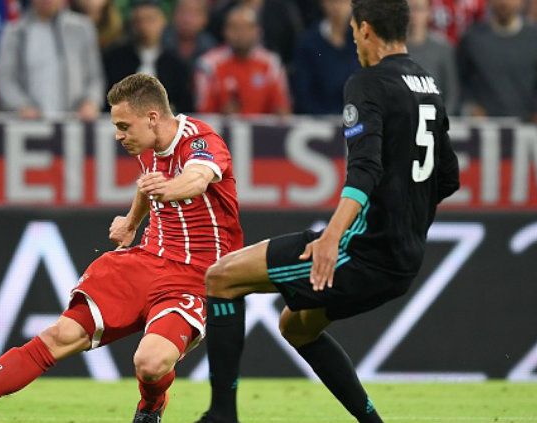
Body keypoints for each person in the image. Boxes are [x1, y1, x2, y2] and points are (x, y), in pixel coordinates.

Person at [0, 73, 243, 423]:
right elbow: (148, 183)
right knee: (59, 335)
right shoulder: (147, 145)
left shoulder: (200, 141)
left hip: (195, 276)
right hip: (145, 262)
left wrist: (168, 188)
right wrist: (132, 221)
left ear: (152, 117)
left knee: (149, 364)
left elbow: (196, 179)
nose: (118, 135)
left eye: (123, 125)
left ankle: (151, 404)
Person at [195, 0, 460, 422]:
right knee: (296, 327)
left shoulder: (367, 84)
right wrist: (405, 223)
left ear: (366, 29)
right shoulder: (426, 83)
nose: (354, 39)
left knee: (221, 278)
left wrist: (332, 237)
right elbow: (447, 177)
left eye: (354, 30)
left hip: (362, 250)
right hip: (405, 257)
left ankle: (222, 415)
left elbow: (365, 169)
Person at [0, 0, 105, 120]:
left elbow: (95, 77)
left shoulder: (82, 28)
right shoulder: (14, 32)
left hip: (74, 123)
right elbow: (5, 79)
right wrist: (21, 105)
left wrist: (90, 102)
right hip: (28, 125)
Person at [457, 0, 537, 123]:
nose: (504, 2)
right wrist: (471, 106)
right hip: (485, 129)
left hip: (529, 128)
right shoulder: (472, 38)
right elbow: (459, 79)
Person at [195, 5, 291, 115]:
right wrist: (223, 116)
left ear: (258, 31)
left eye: (247, 28)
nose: (240, 33)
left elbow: (283, 110)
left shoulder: (271, 63)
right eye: (234, 27)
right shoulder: (208, 64)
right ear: (225, 31)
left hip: (262, 131)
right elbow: (203, 113)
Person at [104, 0, 194, 112]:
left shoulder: (176, 64)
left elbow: (185, 104)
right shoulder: (114, 59)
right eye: (139, 21)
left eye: (151, 20)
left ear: (163, 22)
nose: (144, 26)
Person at [292, 0, 360, 115]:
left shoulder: (363, 40)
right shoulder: (309, 43)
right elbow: (303, 91)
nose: (337, 7)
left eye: (342, 2)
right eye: (332, 2)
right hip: (318, 121)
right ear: (323, 3)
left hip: (358, 119)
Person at [407, 0, 460, 115]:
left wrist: (442, 123)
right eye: (409, 9)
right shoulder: (392, 48)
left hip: (436, 122)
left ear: (429, 12)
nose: (414, 15)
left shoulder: (443, 48)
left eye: (419, 9)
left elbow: (452, 93)